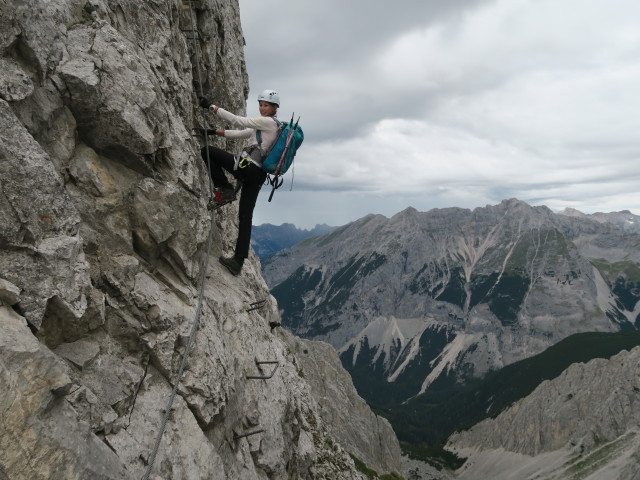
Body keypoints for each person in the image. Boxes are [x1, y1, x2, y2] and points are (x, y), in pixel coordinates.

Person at [198, 89, 281, 276]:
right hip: (258, 176)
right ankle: (238, 262)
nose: (262, 108)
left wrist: (211, 107)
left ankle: (226, 189)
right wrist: (214, 131)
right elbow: (241, 133)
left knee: (207, 152)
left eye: (266, 105)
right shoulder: (273, 126)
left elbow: (237, 120)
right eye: (260, 104)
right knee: (245, 217)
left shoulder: (266, 122)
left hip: (248, 168)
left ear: (275, 107)